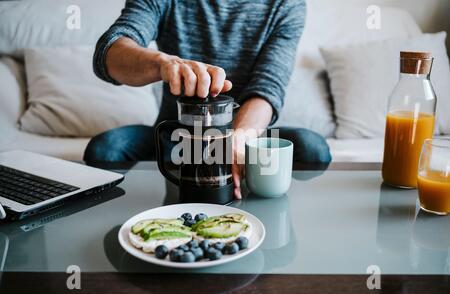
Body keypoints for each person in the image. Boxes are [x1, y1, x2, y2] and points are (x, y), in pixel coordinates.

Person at [84, 0, 331, 199]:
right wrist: (162, 64)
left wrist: (238, 139)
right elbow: (109, 53)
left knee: (313, 149)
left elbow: (267, 89)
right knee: (106, 148)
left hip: (246, 133)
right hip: (177, 136)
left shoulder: (286, 5)